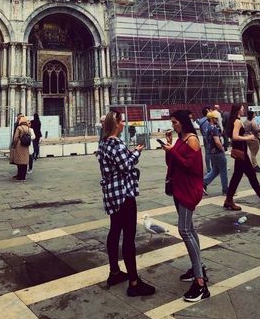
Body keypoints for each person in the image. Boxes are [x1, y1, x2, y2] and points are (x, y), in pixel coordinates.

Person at [97, 111, 155, 297]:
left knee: (114, 230)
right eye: (122, 121)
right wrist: (137, 152)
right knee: (129, 237)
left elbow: (118, 162)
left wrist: (128, 154)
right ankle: (134, 282)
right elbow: (126, 166)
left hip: (112, 195)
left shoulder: (103, 142)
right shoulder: (116, 143)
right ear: (116, 125)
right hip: (123, 194)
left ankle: (114, 272)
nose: (124, 123)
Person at [161, 110, 209, 302]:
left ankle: (200, 283)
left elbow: (193, 167)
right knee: (189, 229)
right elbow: (171, 162)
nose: (173, 125)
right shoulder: (181, 139)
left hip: (189, 189)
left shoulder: (192, 140)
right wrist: (170, 146)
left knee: (184, 230)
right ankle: (198, 267)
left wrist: (172, 150)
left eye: (175, 122)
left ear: (182, 122)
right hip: (178, 188)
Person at [223, 104, 260, 211]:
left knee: (237, 177)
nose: (244, 110)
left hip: (240, 152)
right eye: (242, 109)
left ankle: (229, 200)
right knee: (251, 176)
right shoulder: (237, 121)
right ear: (238, 110)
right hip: (241, 153)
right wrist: (248, 137)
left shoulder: (235, 120)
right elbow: (235, 137)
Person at [203, 110, 228, 195]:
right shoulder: (214, 128)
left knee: (215, 170)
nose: (217, 120)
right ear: (212, 118)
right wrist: (222, 149)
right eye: (216, 118)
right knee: (223, 170)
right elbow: (217, 142)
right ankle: (225, 190)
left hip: (211, 152)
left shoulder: (208, 127)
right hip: (217, 152)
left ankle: (203, 183)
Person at [11, 115, 31, 181]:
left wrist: (14, 144)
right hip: (26, 145)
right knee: (24, 162)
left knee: (19, 161)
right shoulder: (28, 128)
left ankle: (20, 176)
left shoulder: (19, 128)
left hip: (19, 145)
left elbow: (16, 138)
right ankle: (23, 177)